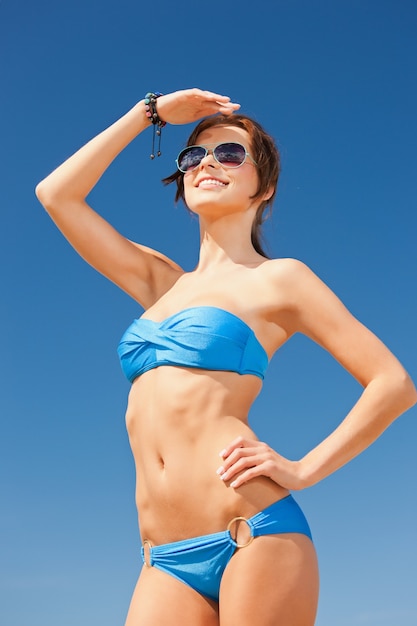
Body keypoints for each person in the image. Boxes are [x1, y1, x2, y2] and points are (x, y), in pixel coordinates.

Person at [35, 88, 417, 626]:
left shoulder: (280, 279)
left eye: (230, 153)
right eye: (194, 155)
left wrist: (303, 469)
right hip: (161, 557)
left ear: (266, 187)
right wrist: (150, 115)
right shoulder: (159, 283)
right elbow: (56, 195)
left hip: (252, 533)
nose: (207, 163)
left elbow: (393, 384)